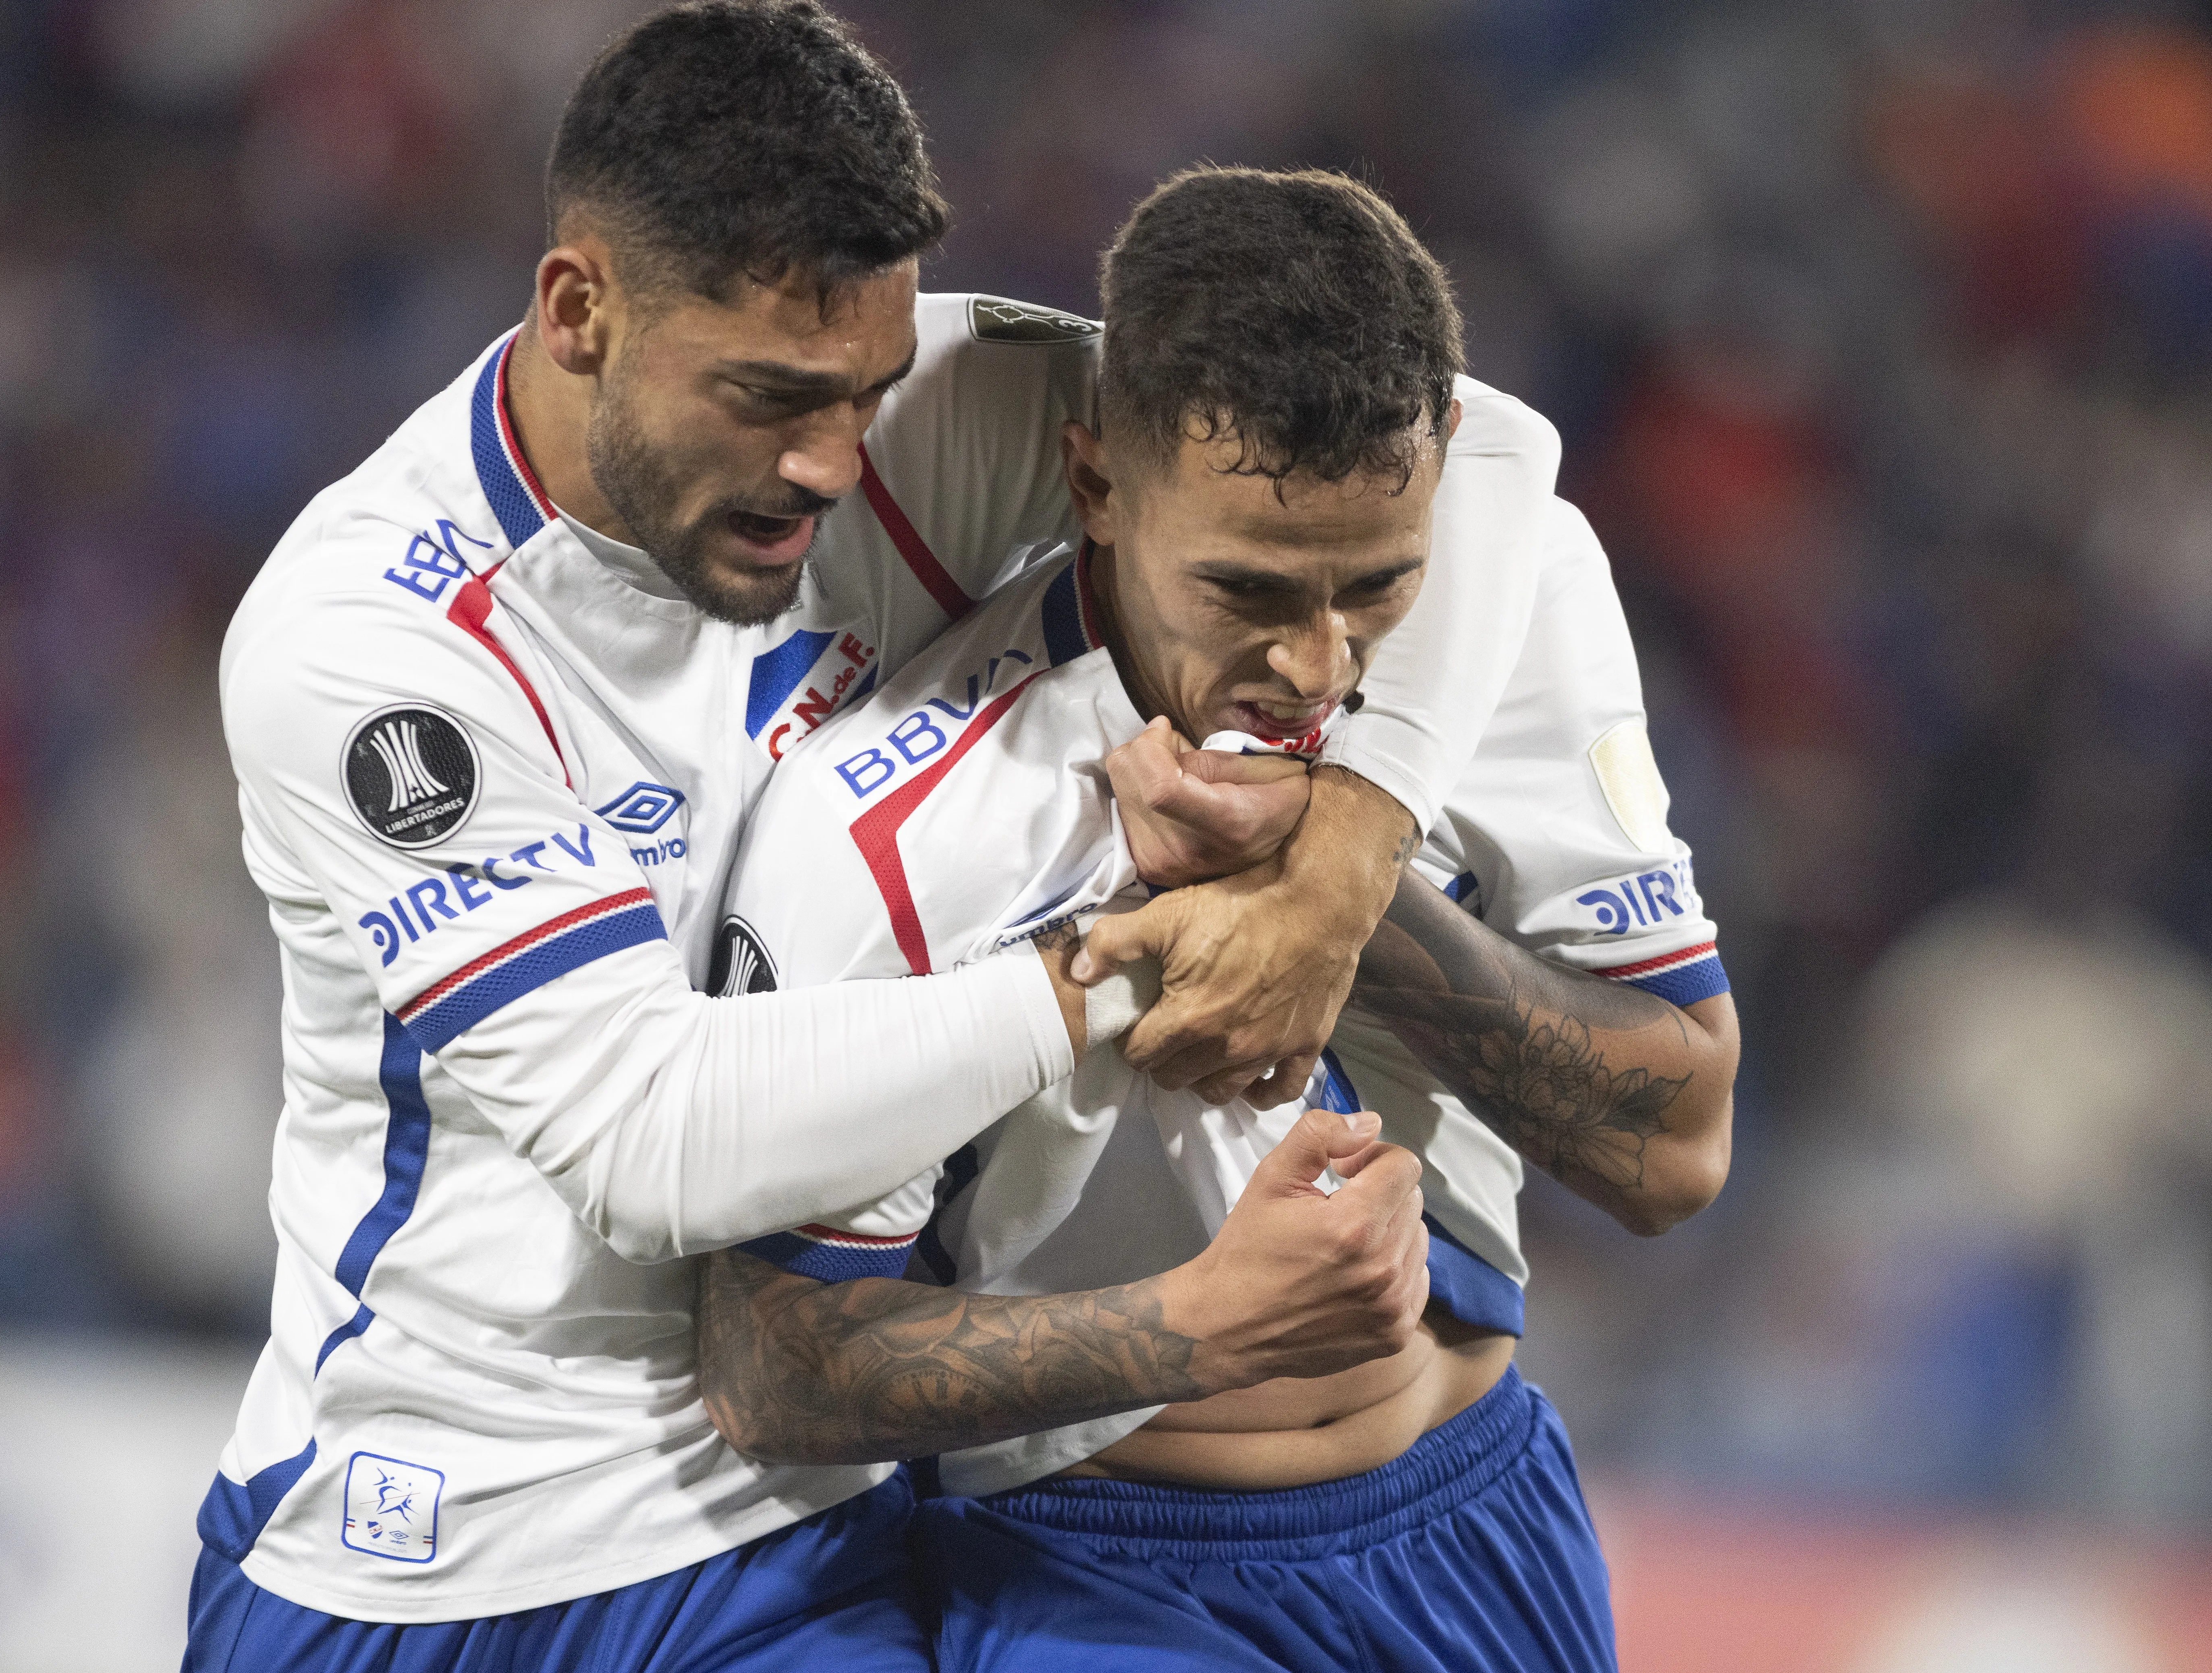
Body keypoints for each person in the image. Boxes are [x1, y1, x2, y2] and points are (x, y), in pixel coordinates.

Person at [188, 4, 1566, 1668]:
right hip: (428, 1554)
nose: (835, 464)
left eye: (864, 388)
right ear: (578, 313)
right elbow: (648, 1138)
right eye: (772, 396)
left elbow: (1479, 448)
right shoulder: (379, 643)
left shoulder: (905, 428)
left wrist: (1348, 848)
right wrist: (1112, 970)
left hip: (799, 1529)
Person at [697, 167, 1740, 1672]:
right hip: (1103, 1583)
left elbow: (1676, 1150)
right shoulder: (908, 825)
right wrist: (1197, 1326)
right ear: (1097, 483)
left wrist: (1347, 899)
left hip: (1484, 1522)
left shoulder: (1523, 610)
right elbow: (775, 1369)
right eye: (1247, 589)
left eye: (1375, 589)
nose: (1318, 667)